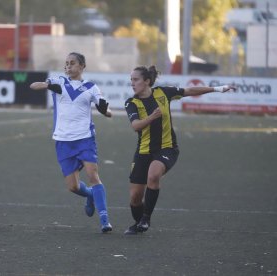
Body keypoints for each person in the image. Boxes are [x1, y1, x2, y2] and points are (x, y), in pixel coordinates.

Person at [123, 65, 236, 235]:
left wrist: (218, 89)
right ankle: (139, 222)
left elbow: (190, 90)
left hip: (167, 148)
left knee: (153, 175)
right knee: (135, 198)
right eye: (131, 80)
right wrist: (152, 117)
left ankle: (146, 218)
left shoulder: (163, 93)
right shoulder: (131, 102)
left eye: (136, 79)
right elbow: (135, 126)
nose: (132, 83)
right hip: (143, 151)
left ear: (147, 81)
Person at [29, 52, 113, 233]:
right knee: (73, 187)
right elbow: (33, 85)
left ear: (82, 66)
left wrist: (106, 110)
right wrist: (46, 84)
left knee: (93, 175)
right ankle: (90, 195)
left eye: (72, 63)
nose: (68, 66)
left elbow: (105, 109)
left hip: (85, 139)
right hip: (63, 140)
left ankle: (104, 219)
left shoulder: (91, 87)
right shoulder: (59, 82)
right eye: (66, 63)